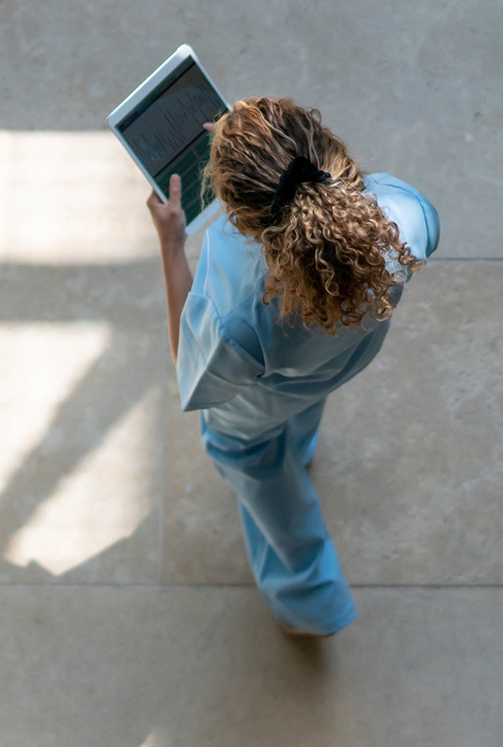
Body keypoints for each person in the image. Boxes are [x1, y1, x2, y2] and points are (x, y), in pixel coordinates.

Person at [145, 97, 439, 636]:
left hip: (258, 403)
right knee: (302, 406)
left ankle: (313, 603)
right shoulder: (405, 214)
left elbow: (194, 372)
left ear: (241, 218)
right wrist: (262, 141)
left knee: (257, 468)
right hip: (342, 359)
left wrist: (172, 245)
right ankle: (300, 449)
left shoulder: (238, 306)